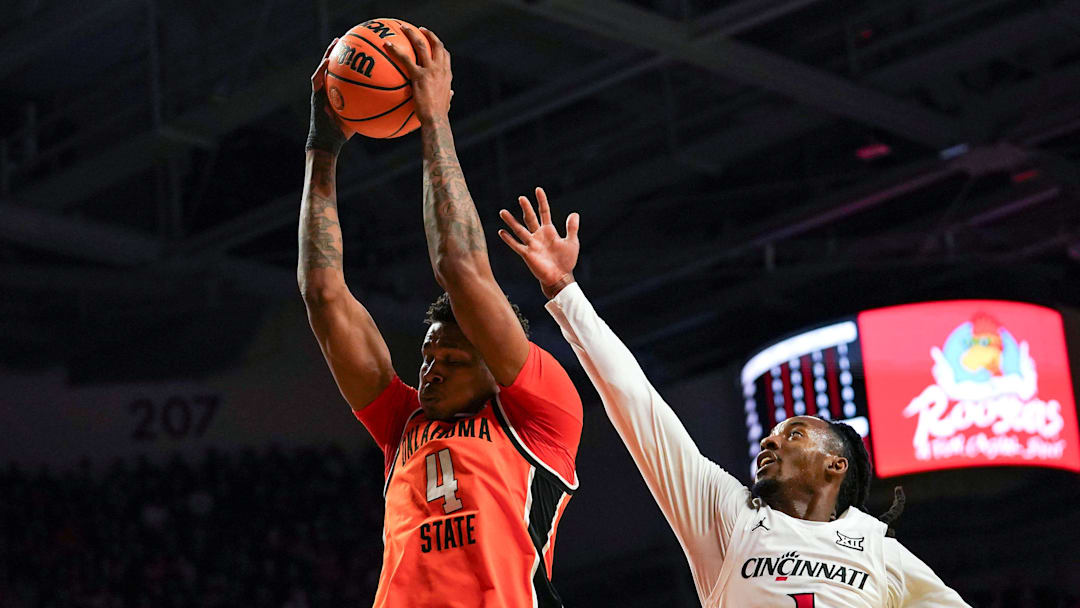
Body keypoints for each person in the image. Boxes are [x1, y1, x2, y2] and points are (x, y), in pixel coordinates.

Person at [497, 190, 971, 607]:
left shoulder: (877, 548)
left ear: (835, 465)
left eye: (794, 434)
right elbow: (638, 403)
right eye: (773, 433)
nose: (769, 441)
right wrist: (564, 290)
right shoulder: (727, 513)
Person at [299, 28, 582, 608]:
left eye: (453, 360)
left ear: (495, 366)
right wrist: (321, 150)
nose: (430, 371)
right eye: (428, 356)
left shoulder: (541, 415)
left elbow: (459, 267)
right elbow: (323, 294)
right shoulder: (403, 422)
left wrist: (433, 119)